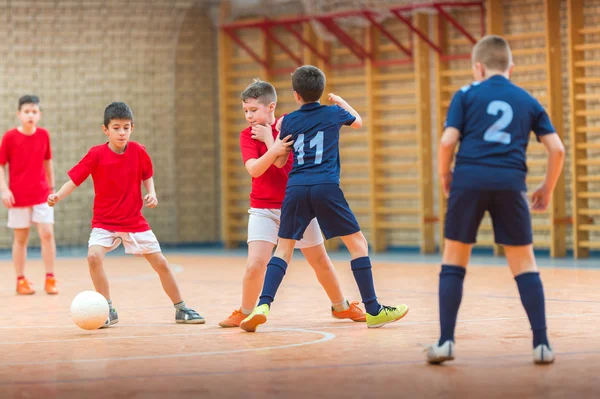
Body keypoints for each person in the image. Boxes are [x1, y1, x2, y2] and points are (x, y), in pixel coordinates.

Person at [426, 35, 565, 365]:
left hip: (469, 180)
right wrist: (546, 187)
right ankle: (542, 344)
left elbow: (447, 143)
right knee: (524, 263)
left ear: (478, 67)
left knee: (454, 260)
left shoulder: (465, 95)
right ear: (510, 68)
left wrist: (446, 175)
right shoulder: (528, 100)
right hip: (510, 181)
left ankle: (446, 342)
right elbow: (557, 149)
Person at [240, 66, 409, 332]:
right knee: (358, 245)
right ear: (321, 90)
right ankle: (374, 309)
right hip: (325, 186)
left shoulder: (288, 121)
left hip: (295, 189)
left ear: (295, 95)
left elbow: (281, 159)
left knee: (283, 250)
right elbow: (358, 121)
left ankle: (263, 304)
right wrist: (340, 101)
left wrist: (273, 138)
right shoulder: (333, 113)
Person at [219, 79, 366, 328]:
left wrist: (271, 141)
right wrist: (272, 145)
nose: (248, 116)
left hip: (298, 205)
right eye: (245, 111)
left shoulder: (292, 123)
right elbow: (255, 169)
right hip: (263, 208)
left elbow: (283, 165)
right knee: (255, 263)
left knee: (320, 260)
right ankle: (245, 311)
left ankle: (340, 307)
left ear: (271, 106)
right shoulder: (247, 135)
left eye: (253, 110)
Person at [48, 102, 204, 327]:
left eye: (126, 127)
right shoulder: (96, 154)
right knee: (93, 257)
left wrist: (152, 194)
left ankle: (181, 309)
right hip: (104, 222)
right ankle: (108, 309)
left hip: (134, 221)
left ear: (132, 127)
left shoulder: (139, 151)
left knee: (161, 264)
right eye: (116, 128)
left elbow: (147, 175)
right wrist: (58, 196)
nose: (122, 132)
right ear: (106, 130)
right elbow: (74, 180)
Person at [0, 95, 57, 295]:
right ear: (19, 114)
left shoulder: (44, 135)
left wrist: (52, 187)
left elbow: (48, 161)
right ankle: (20, 280)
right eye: (26, 111)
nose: (30, 115)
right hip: (18, 196)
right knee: (21, 237)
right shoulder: (9, 137)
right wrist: (4, 189)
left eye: (34, 111)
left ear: (39, 115)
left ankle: (50, 278)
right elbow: (1, 165)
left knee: (47, 233)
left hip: (42, 193)